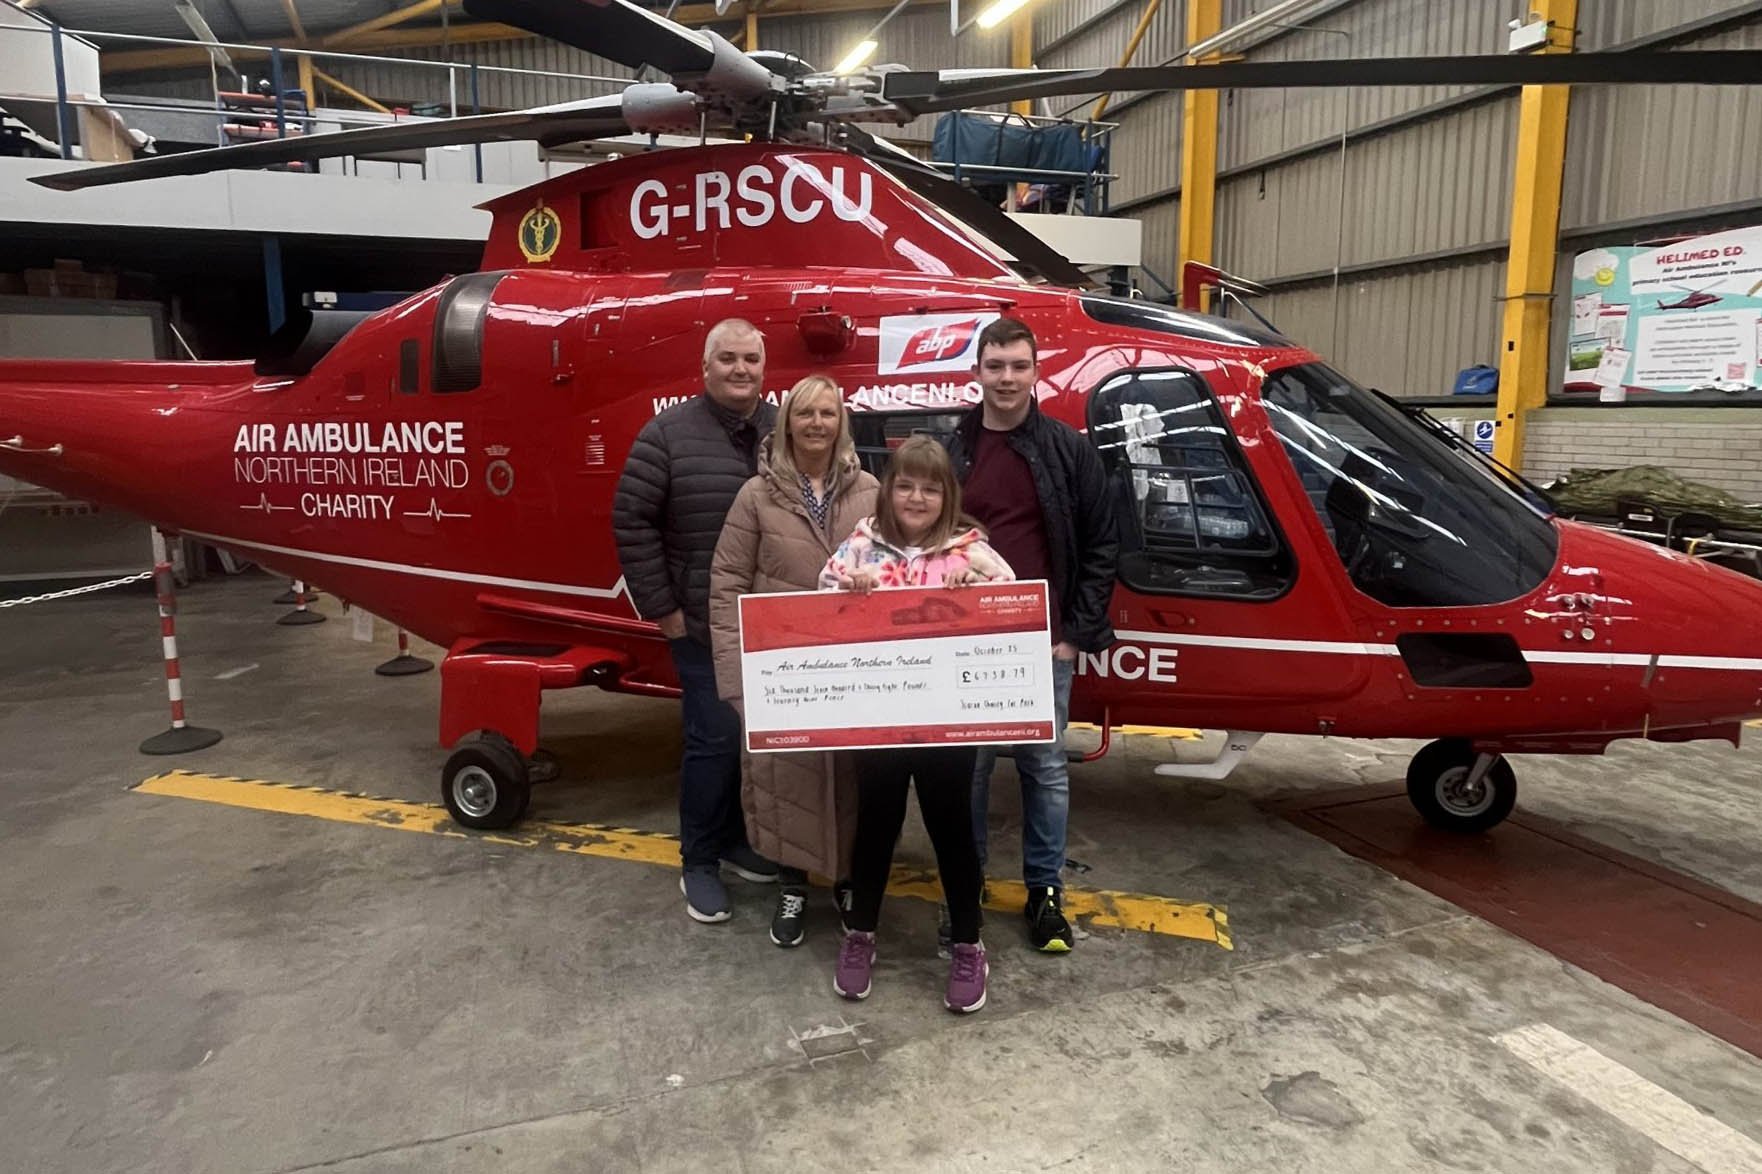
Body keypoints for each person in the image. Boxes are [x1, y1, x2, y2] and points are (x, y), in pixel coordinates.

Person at [819, 436, 1014, 1014]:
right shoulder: (858, 549)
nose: (916, 497)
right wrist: (846, 594)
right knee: (875, 826)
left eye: (930, 487)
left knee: (951, 829)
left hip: (947, 728)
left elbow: (1015, 606)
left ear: (948, 494)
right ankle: (860, 934)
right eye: (905, 485)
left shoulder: (973, 554)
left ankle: (968, 944)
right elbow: (816, 608)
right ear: (888, 490)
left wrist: (978, 593)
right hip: (877, 723)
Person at [947, 316, 1119, 954]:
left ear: (1036, 372)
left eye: (1018, 366)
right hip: (965, 642)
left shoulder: (1068, 450)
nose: (1007, 378)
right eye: (995, 366)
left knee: (1044, 767)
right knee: (968, 768)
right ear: (977, 372)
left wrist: (1073, 635)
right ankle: (965, 886)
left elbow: (1102, 545)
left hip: (1044, 643)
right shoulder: (953, 449)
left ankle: (1044, 891)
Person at [612, 318, 782, 924]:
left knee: (750, 743)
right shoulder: (666, 435)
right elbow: (631, 520)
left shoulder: (782, 430)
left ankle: (735, 842)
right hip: (703, 625)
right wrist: (664, 609)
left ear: (764, 368)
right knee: (712, 742)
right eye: (728, 358)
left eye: (751, 359)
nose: (741, 369)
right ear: (705, 367)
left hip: (770, 625)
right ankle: (700, 861)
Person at [708, 374, 879, 947]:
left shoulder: (870, 490)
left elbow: (899, 567)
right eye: (805, 413)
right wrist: (736, 681)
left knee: (852, 777)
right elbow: (727, 585)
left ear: (841, 422)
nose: (816, 424)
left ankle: (849, 879)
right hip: (782, 670)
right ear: (787, 422)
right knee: (786, 778)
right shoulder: (756, 495)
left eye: (827, 413)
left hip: (853, 670)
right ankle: (792, 884)